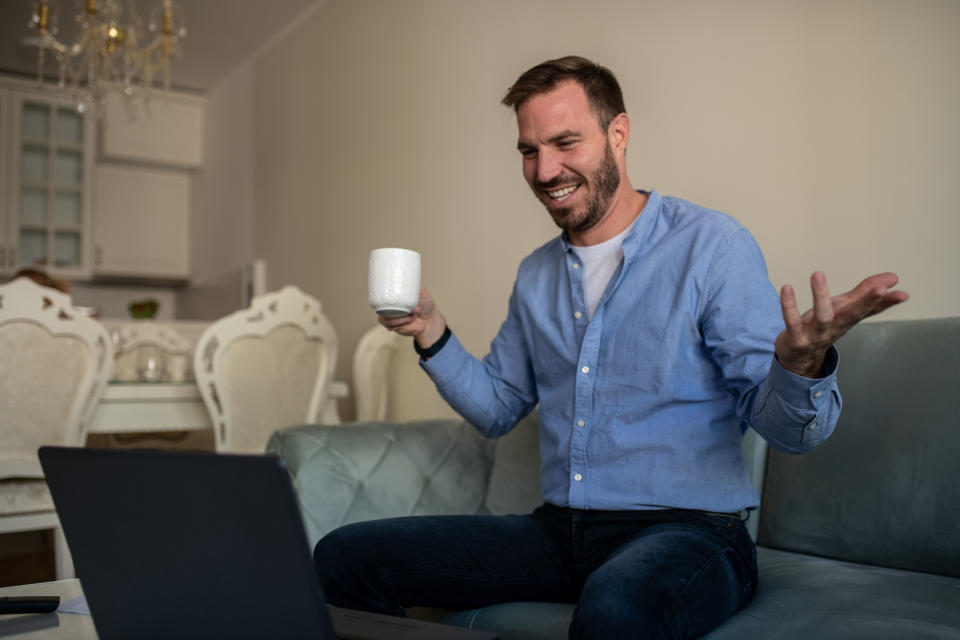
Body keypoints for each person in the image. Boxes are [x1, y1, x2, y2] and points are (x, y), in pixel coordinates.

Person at [314, 56, 908, 638]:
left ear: (617, 134)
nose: (545, 170)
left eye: (565, 143)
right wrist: (430, 331)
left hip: (690, 533)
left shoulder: (712, 246)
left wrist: (800, 364)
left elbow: (791, 433)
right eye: (529, 150)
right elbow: (496, 410)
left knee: (618, 609)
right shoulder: (535, 275)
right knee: (345, 556)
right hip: (557, 533)